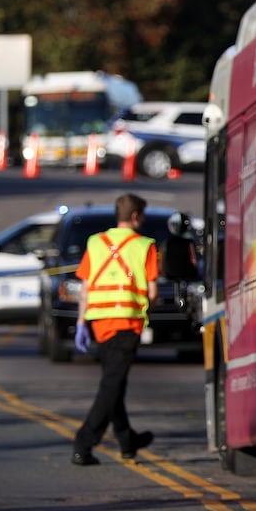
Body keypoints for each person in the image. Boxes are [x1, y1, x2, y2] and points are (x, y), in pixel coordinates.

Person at [71, 193, 159, 466]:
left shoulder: (95, 242)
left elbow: (85, 288)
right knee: (111, 384)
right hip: (127, 322)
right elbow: (153, 291)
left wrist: (81, 322)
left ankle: (127, 440)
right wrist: (146, 309)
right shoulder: (145, 246)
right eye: (142, 216)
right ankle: (83, 443)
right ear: (135, 217)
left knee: (114, 381)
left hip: (99, 322)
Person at [161, 211, 200, 283]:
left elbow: (162, 268)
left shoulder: (167, 244)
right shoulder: (189, 244)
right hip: (189, 280)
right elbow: (195, 261)